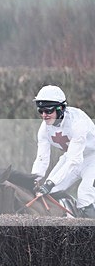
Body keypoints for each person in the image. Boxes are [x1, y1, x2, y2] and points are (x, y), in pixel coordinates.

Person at [31, 84, 95, 218]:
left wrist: (50, 182)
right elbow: (42, 159)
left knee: (84, 194)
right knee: (49, 193)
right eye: (40, 111)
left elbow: (74, 161)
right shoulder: (43, 130)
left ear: (61, 109)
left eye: (48, 110)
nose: (44, 115)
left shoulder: (78, 123)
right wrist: (33, 179)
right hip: (71, 157)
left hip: (92, 158)